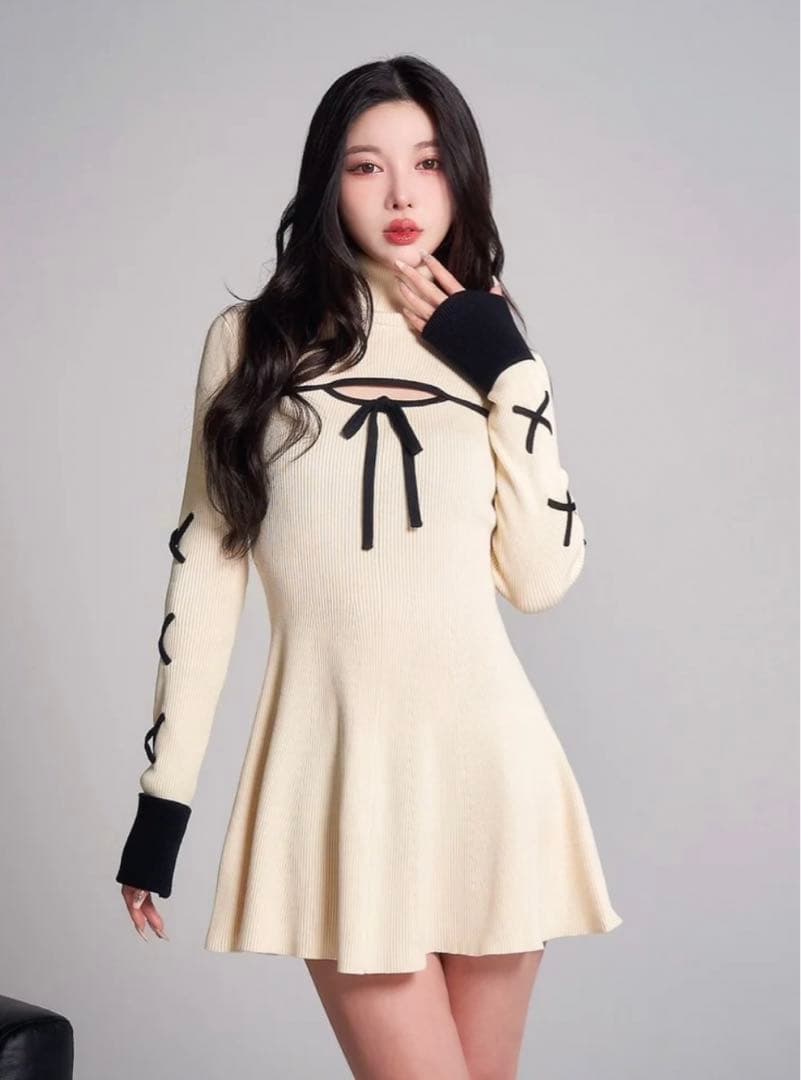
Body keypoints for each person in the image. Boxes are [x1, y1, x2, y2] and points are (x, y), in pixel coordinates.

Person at [115, 54, 623, 1078]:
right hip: (337, 776)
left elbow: (540, 579)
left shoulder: (486, 340)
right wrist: (162, 805)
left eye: (427, 163)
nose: (400, 196)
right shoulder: (252, 342)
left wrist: (514, 374)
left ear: (460, 178)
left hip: (491, 776)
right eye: (366, 166)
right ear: (327, 183)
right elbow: (206, 575)